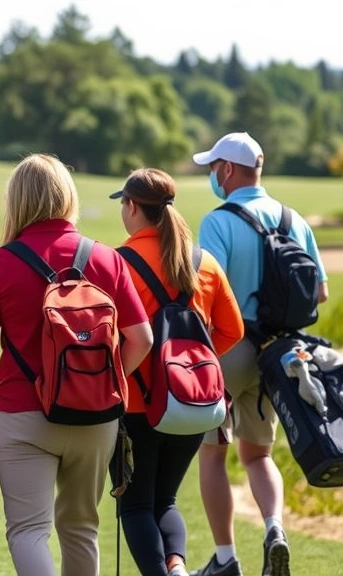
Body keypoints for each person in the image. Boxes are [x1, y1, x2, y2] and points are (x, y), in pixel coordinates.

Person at [0, 154, 153, 576]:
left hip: (21, 413)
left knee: (29, 531)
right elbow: (142, 339)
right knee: (82, 528)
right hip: (95, 416)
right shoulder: (107, 259)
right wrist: (104, 382)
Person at [190, 132, 328, 576]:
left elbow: (206, 293)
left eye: (214, 168)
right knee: (259, 455)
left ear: (227, 170)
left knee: (213, 453)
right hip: (277, 356)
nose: (213, 174)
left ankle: (226, 559)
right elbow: (319, 292)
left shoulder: (218, 220)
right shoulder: (294, 219)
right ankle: (275, 529)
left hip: (227, 352)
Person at [110, 168, 244, 576]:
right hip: (193, 403)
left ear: (132, 207)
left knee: (135, 505)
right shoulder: (204, 262)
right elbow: (233, 331)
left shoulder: (119, 262)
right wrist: (184, 368)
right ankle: (178, 568)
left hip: (137, 404)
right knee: (166, 500)